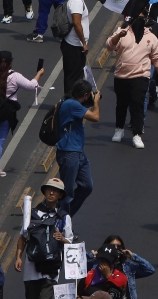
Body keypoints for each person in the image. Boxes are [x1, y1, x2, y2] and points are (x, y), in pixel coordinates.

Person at [108, 15, 158, 149]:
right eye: (136, 17)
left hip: (141, 76)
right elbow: (110, 45)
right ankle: (119, 129)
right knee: (121, 104)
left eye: (141, 17)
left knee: (137, 104)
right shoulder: (122, 32)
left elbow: (157, 58)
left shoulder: (151, 37)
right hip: (121, 76)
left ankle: (137, 134)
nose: (138, 19)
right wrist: (119, 36)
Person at [0, 50, 42, 177]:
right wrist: (39, 74)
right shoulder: (15, 76)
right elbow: (31, 86)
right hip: (5, 112)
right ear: (10, 63)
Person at [15, 177, 70, 297]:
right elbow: (23, 237)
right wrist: (18, 257)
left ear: (60, 195)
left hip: (52, 269)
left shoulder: (64, 218)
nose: (51, 193)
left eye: (55, 191)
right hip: (32, 268)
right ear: (44, 192)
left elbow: (71, 245)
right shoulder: (32, 214)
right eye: (49, 189)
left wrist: (63, 239)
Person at [56, 79, 101, 215]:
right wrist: (96, 102)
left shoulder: (72, 103)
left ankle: (66, 217)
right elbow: (95, 117)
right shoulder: (71, 104)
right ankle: (62, 223)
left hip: (78, 153)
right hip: (69, 153)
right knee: (67, 192)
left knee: (87, 186)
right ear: (86, 95)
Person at [61, 0, 93, 97]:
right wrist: (84, 43)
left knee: (76, 76)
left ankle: (73, 100)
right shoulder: (76, 1)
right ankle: (69, 101)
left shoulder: (77, 0)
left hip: (74, 45)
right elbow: (76, 23)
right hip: (74, 46)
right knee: (72, 77)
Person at [99, 234, 156, 299]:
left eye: (119, 246)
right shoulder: (99, 264)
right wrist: (92, 255)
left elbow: (150, 270)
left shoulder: (128, 267)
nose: (116, 248)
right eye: (112, 246)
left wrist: (132, 256)